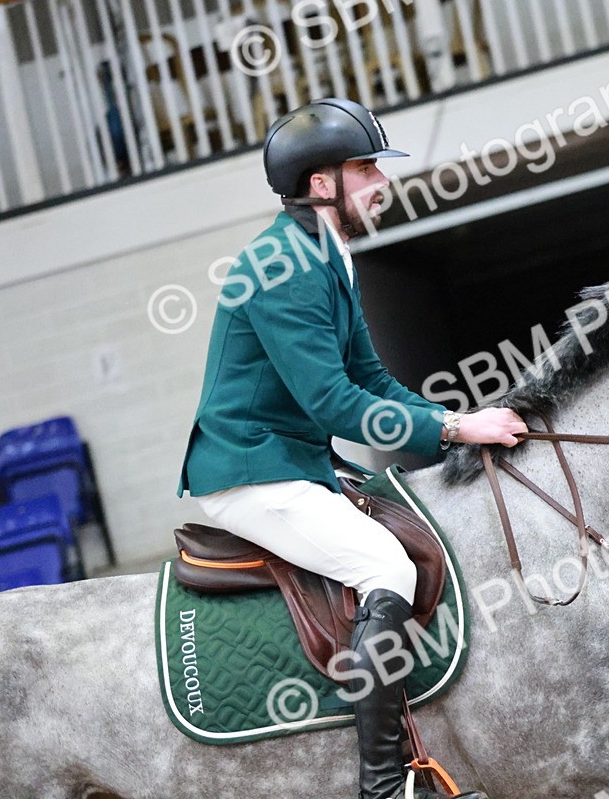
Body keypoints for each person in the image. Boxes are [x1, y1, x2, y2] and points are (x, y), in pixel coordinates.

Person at [176, 98, 525, 799]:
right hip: (251, 470)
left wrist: (454, 416)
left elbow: (368, 377)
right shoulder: (281, 265)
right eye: (365, 167)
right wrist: (456, 431)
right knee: (384, 569)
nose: (380, 181)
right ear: (320, 184)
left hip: (295, 460)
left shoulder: (325, 252)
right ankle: (385, 786)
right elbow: (332, 404)